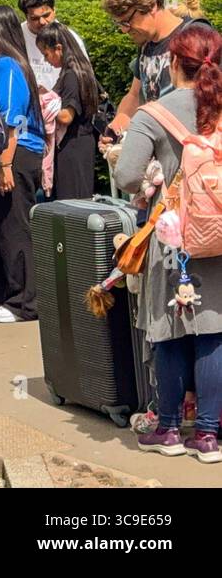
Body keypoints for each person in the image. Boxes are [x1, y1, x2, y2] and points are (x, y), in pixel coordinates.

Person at [114, 23, 222, 462]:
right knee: (214, 330)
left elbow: (124, 176)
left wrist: (152, 182)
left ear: (174, 63)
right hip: (219, 234)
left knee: (170, 330)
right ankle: (211, 435)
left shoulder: (155, 114)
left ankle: (172, 429)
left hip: (174, 234)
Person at [0, 5, 47, 323]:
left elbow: (11, 118)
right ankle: (5, 295)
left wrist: (5, 164)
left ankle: (25, 302)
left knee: (13, 229)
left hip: (13, 154)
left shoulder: (7, 65)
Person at [103, 0, 212, 141]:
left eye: (127, 21)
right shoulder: (146, 44)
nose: (124, 30)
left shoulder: (195, 36)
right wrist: (118, 124)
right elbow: (134, 94)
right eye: (120, 24)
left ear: (152, 6)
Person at [36, 21, 98, 200]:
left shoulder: (71, 74)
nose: (46, 60)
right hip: (76, 144)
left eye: (46, 54)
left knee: (72, 203)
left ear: (58, 48)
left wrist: (44, 102)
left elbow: (66, 116)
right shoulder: (75, 70)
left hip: (74, 146)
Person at [18, 0, 88, 91]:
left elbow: (84, 77)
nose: (42, 22)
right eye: (35, 18)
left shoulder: (70, 39)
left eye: (46, 15)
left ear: (54, 10)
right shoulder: (17, 36)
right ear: (26, 17)